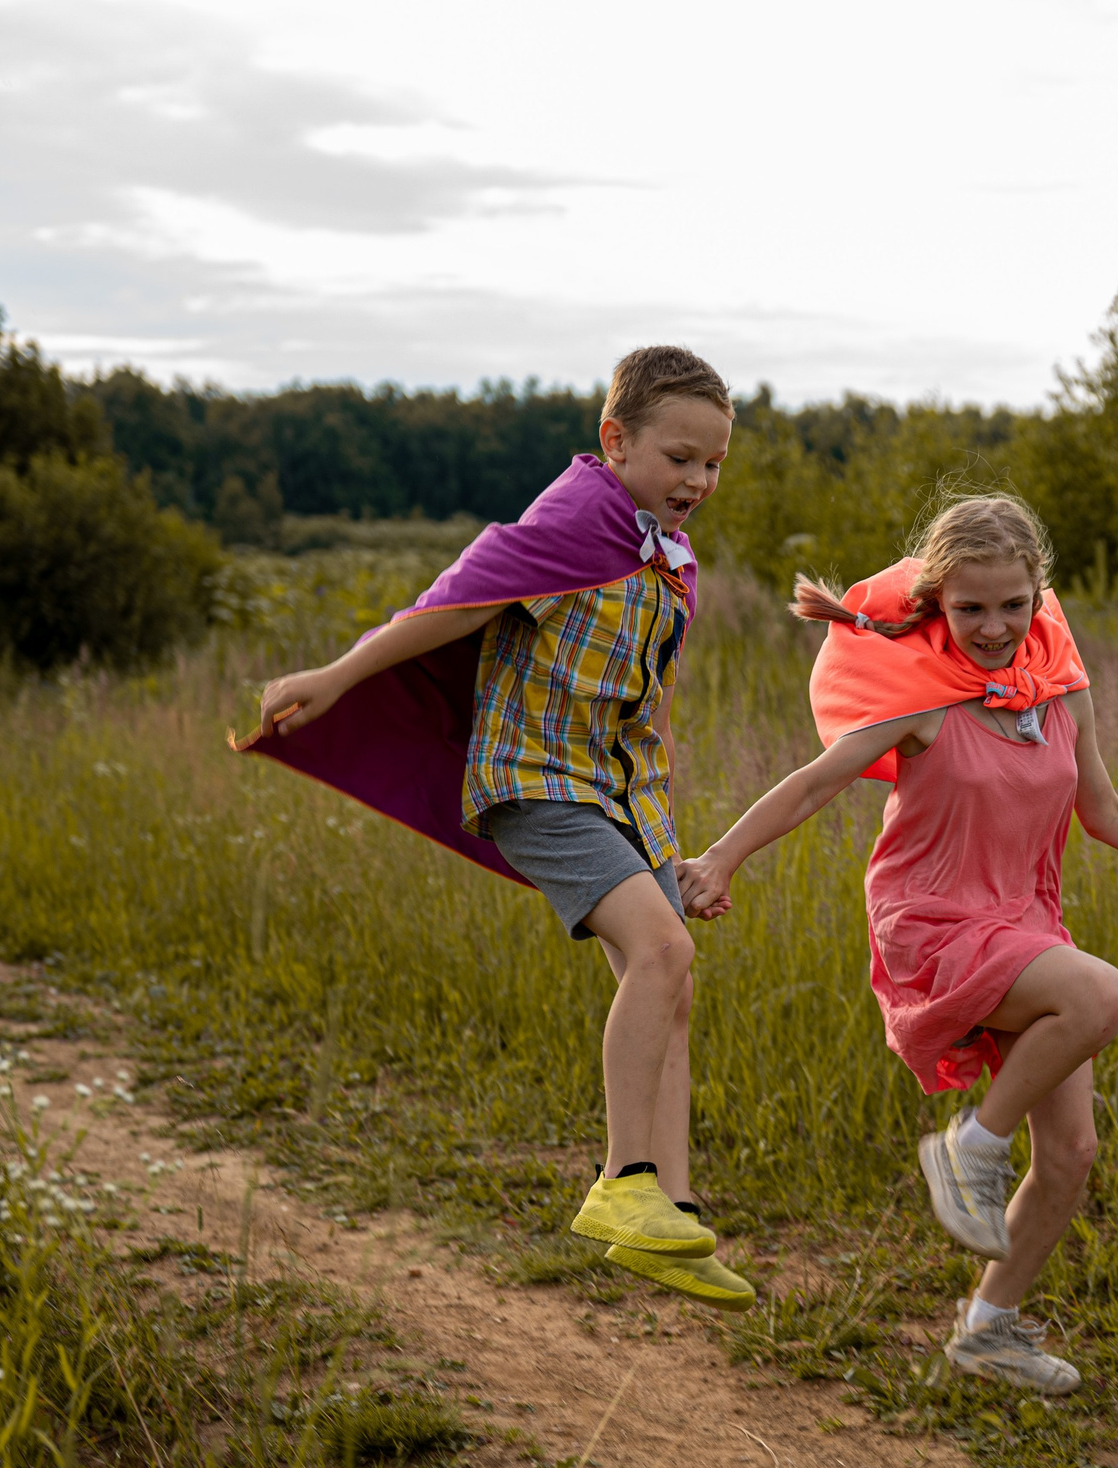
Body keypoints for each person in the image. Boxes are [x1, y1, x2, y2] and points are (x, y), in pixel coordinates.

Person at [677, 496, 1118, 1390]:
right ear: (939, 603)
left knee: (1072, 1155)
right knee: (1097, 995)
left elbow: (1106, 812)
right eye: (971, 608)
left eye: (1012, 605)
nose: (993, 627)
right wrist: (720, 857)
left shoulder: (1059, 688)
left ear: (1038, 596)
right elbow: (810, 785)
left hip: (1023, 922)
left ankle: (988, 1329)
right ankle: (970, 1148)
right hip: (934, 920)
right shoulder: (925, 700)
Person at [243, 345, 753, 1311]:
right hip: (531, 780)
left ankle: (672, 1219)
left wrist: (664, 839)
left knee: (672, 978)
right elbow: (448, 607)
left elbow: (644, 710)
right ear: (617, 440)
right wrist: (338, 674)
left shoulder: (666, 557)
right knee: (662, 950)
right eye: (680, 457)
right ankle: (621, 1184)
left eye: (713, 464)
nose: (698, 480)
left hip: (612, 789)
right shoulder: (578, 518)